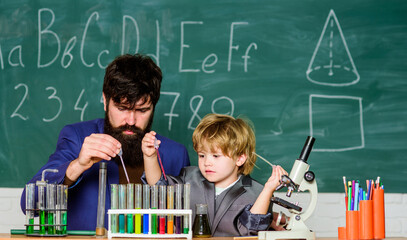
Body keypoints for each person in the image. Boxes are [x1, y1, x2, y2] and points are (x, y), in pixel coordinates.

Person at [20, 54, 190, 231]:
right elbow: (29, 204)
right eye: (122, 108)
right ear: (105, 100)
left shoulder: (175, 154)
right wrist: (77, 165)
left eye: (142, 110)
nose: (131, 120)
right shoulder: (77, 138)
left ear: (154, 106)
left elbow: (186, 223)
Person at [142, 113, 288, 236]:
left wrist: (268, 190)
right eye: (201, 155)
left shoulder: (257, 193)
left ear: (240, 158)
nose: (207, 163)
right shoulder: (190, 177)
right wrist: (150, 157)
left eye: (216, 156)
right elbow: (159, 187)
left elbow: (252, 230)